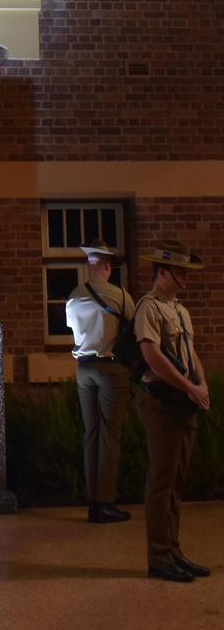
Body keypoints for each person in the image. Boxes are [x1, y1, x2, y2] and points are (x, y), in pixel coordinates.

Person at [135, 239, 210, 582]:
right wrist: (188, 386)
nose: (184, 278)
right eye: (179, 272)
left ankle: (173, 550)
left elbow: (190, 354)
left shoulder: (180, 309)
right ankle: (159, 558)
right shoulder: (148, 307)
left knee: (177, 481)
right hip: (161, 403)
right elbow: (153, 357)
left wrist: (201, 385)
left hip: (182, 403)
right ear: (162, 272)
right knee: (162, 483)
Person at [66, 238, 135, 523]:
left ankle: (92, 502)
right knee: (110, 436)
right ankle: (105, 503)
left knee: (90, 435)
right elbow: (133, 329)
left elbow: (73, 329)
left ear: (89, 265)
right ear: (107, 267)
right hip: (111, 368)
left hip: (83, 369)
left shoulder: (74, 295)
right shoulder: (119, 295)